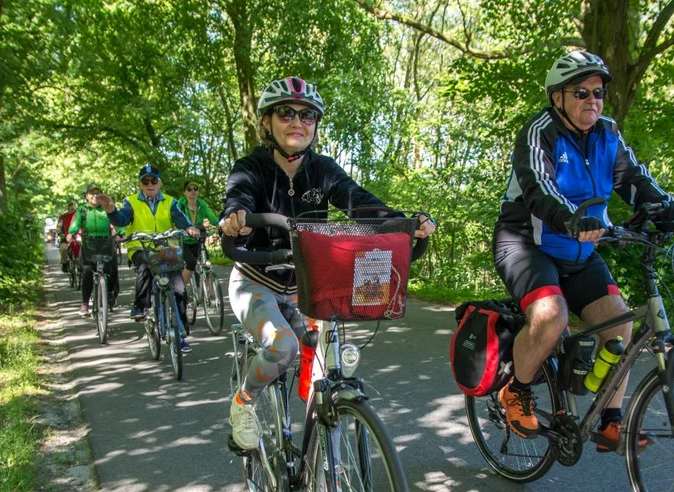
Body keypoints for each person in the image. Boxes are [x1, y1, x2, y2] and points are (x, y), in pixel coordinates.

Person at [493, 50, 674, 450]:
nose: (593, 99)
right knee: (551, 315)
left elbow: (637, 182)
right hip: (526, 241)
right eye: (581, 92)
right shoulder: (540, 131)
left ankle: (610, 419)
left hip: (581, 248)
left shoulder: (608, 133)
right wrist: (571, 218)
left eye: (599, 92)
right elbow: (540, 188)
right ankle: (516, 391)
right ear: (558, 97)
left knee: (620, 321)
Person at [219, 76, 436, 450]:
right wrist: (235, 217)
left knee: (328, 355)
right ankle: (244, 402)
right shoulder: (250, 167)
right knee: (281, 347)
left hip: (308, 283)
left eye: (308, 116)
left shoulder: (322, 169)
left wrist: (403, 223)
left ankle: (323, 443)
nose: (297, 122)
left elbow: (359, 201)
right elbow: (238, 196)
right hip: (255, 280)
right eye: (286, 113)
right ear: (267, 122)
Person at [98, 164, 199, 353]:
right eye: (146, 181)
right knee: (145, 265)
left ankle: (182, 336)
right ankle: (140, 306)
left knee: (178, 290)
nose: (150, 184)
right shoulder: (131, 202)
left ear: (159, 182)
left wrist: (189, 228)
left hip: (166, 249)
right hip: (140, 246)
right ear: (140, 184)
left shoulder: (170, 202)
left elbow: (181, 219)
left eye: (153, 180)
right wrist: (110, 209)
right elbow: (122, 220)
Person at [69, 183, 120, 317]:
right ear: (86, 196)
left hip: (106, 242)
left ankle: (109, 293)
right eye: (92, 193)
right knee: (86, 271)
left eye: (98, 193)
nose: (95, 196)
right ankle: (85, 302)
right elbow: (75, 224)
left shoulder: (107, 208)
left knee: (112, 268)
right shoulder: (82, 210)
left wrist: (121, 232)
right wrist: (72, 233)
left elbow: (117, 221)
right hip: (89, 243)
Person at [179, 180, 221, 330]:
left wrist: (222, 225)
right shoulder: (180, 204)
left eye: (195, 188)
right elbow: (175, 219)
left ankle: (210, 295)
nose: (193, 191)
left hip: (199, 239)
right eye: (189, 189)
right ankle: (180, 291)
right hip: (184, 240)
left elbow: (214, 219)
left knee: (207, 265)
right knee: (190, 263)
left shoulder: (202, 205)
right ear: (185, 192)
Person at [58, 201, 77, 272]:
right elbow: (59, 228)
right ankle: (64, 262)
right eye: (71, 209)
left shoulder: (78, 216)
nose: (73, 211)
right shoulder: (63, 217)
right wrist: (60, 233)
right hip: (65, 236)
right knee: (63, 248)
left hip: (76, 236)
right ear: (68, 210)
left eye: (74, 209)